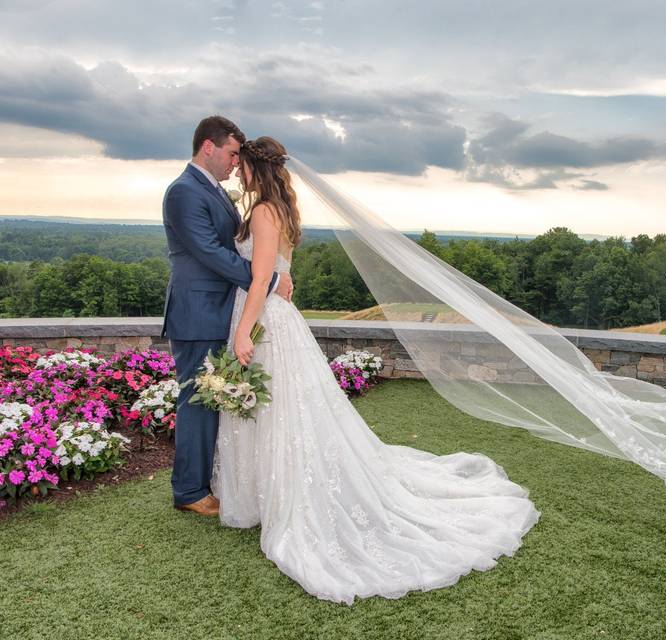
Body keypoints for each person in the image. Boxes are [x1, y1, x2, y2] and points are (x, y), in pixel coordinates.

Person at [211, 136, 540, 605]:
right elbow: (280, 272)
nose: (237, 169)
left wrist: (244, 332)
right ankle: (266, 492)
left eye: (241, 163)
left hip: (263, 318)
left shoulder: (263, 211)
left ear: (254, 167)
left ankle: (277, 497)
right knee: (280, 407)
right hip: (277, 318)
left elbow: (263, 277)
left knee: (277, 406)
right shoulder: (280, 207)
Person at [161, 117, 293, 517]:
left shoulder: (216, 191)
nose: (237, 162)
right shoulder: (184, 191)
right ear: (208, 147)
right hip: (197, 312)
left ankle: (212, 480)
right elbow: (210, 253)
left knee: (215, 397)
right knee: (198, 400)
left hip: (224, 310)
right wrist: (268, 279)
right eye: (232, 153)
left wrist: (271, 272)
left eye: (241, 156)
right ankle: (189, 491)